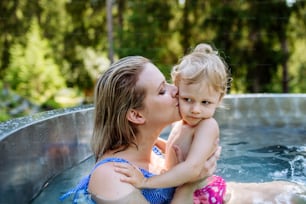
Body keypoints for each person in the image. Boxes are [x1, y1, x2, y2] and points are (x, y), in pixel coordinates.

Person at [60, 55, 221, 204]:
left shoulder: (157, 151)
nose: (176, 90)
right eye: (162, 90)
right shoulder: (114, 177)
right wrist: (188, 184)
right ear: (136, 115)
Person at [114, 43, 230, 204]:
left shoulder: (207, 126)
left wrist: (146, 182)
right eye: (187, 99)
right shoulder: (183, 123)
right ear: (178, 91)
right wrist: (150, 141)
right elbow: (174, 146)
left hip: (201, 195)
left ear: (219, 98)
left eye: (205, 102)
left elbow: (193, 168)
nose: (195, 110)